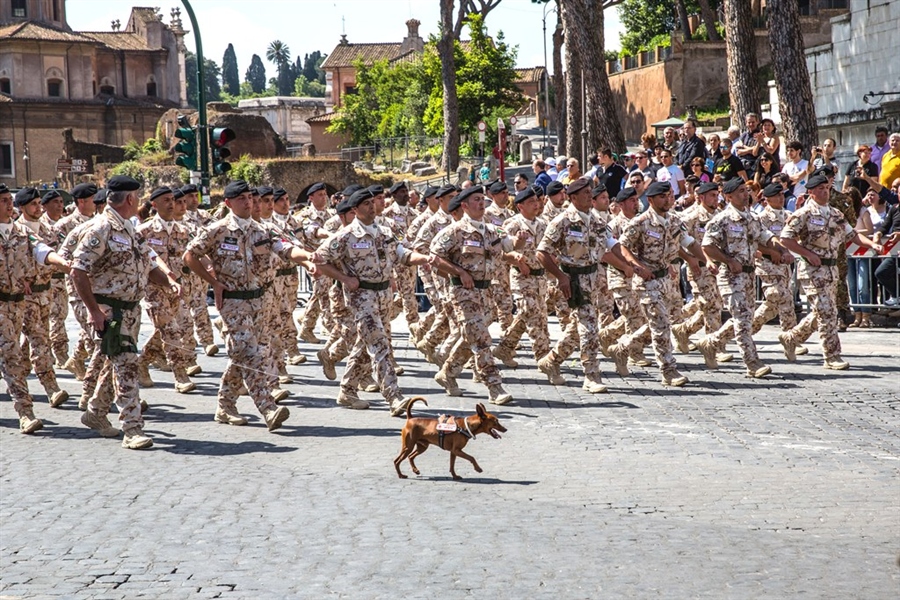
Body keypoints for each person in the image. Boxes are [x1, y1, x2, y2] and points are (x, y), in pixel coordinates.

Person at [183, 180, 315, 430]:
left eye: (250, 197)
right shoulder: (217, 230)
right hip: (234, 303)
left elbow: (287, 249)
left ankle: (225, 405)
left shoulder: (263, 230)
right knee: (250, 353)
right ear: (228, 203)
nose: (248, 202)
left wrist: (308, 258)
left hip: (261, 301)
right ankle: (268, 408)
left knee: (246, 355)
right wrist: (214, 283)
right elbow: (190, 255)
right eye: (241, 198)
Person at [71, 176, 178, 448]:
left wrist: (169, 283)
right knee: (127, 364)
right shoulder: (101, 228)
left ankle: (95, 412)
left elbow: (148, 263)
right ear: (130, 199)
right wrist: (94, 311)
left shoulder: (130, 229)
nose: (139, 201)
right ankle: (132, 429)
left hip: (131, 309)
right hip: (110, 310)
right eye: (138, 196)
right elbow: (77, 270)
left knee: (114, 363)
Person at [312, 187, 438, 414]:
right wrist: (343, 278)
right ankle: (394, 395)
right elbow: (320, 260)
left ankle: (347, 390)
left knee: (363, 345)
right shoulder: (345, 236)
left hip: (384, 298)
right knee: (380, 345)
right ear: (355, 209)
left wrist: (425, 258)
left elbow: (404, 254)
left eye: (373, 202)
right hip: (362, 299)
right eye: (367, 204)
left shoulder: (385, 231)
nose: (372, 207)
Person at [777, 175, 883, 369]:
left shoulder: (835, 213)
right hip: (811, 270)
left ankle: (791, 338)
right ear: (811, 191)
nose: (825, 191)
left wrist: (872, 244)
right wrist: (807, 253)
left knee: (823, 311)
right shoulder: (803, 214)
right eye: (820, 188)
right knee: (827, 312)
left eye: (826, 187)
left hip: (831, 269)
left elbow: (853, 235)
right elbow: (786, 239)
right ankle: (831, 356)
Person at [614, 181, 706, 386]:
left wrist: (706, 260)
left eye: (670, 195)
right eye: (663, 196)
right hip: (646, 281)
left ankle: (622, 348)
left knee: (664, 321)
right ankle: (668, 370)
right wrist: (637, 267)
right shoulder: (640, 222)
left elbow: (689, 242)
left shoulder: (674, 221)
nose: (668, 199)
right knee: (661, 324)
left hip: (666, 279)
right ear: (651, 200)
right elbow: (622, 247)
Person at [430, 185, 515, 405]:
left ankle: (447, 373)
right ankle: (494, 386)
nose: (481, 203)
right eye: (476, 200)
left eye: (482, 199)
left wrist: (519, 244)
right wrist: (459, 271)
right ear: (464, 206)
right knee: (481, 338)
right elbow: (435, 258)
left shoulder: (492, 230)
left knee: (471, 338)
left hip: (485, 293)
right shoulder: (454, 231)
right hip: (463, 292)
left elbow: (506, 247)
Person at [696, 178, 787, 377]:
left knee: (743, 318)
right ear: (728, 196)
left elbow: (766, 237)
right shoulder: (721, 219)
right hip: (730, 276)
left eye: (746, 191)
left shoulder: (752, 218)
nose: (745, 194)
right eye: (740, 192)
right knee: (743, 319)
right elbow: (707, 246)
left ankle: (710, 343)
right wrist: (728, 260)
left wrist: (780, 249)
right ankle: (752, 363)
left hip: (748, 275)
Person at [536, 177, 619, 393]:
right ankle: (591, 375)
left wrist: (632, 265)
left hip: (593, 280)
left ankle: (551, 361)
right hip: (573, 280)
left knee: (577, 328)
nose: (589, 195)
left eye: (590, 192)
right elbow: (541, 252)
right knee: (589, 326)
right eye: (584, 193)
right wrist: (560, 277)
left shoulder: (597, 221)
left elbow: (613, 246)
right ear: (573, 198)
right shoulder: (562, 221)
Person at [0, 184, 70, 434]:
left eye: (10, 200)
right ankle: (25, 412)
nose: (9, 205)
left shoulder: (20, 232)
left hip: (19, 302)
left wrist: (63, 263)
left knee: (25, 349)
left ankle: (48, 390)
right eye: (4, 200)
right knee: (11, 355)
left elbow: (41, 250)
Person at [135, 186, 196, 393]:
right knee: (171, 331)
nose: (171, 204)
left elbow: (192, 256)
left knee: (182, 326)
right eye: (166, 200)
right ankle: (180, 375)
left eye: (173, 199)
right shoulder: (143, 231)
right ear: (154, 205)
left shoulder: (183, 231)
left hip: (177, 289)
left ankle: (142, 362)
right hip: (153, 289)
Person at [15, 188, 69, 408]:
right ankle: (51, 388)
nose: (38, 207)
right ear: (22, 208)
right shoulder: (16, 230)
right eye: (33, 204)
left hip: (46, 292)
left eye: (39, 203)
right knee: (40, 341)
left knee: (35, 338)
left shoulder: (48, 228)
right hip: (24, 296)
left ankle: (20, 373)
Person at [848, 188, 887, 327]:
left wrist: (853, 233)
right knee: (852, 285)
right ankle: (857, 315)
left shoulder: (863, 211)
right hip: (848, 252)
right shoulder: (844, 212)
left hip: (863, 250)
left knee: (862, 284)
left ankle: (866, 315)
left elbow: (870, 230)